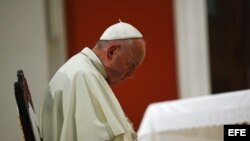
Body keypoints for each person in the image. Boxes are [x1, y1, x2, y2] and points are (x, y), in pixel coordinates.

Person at [39, 21, 146, 141]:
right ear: (111, 52)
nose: (131, 74)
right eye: (130, 65)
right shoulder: (83, 76)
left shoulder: (86, 72)